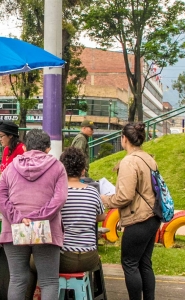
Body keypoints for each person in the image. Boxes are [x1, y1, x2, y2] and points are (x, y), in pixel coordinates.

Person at [0, 129, 68, 300]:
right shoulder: (57, 168)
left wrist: (18, 218)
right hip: (46, 230)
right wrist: (39, 218)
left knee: (18, 279)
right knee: (48, 281)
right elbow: (60, 199)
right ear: (48, 149)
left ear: (25, 147)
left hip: (14, 229)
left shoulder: (11, 167)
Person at [25, 147, 106, 299]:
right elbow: (102, 216)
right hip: (90, 257)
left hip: (63, 258)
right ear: (83, 170)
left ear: (61, 168)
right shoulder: (93, 192)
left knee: (31, 263)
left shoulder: (57, 193)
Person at [101, 122, 160, 300]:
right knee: (144, 263)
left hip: (138, 218)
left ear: (124, 139)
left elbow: (124, 197)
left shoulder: (129, 161)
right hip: (153, 216)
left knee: (129, 263)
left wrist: (105, 199)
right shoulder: (149, 158)